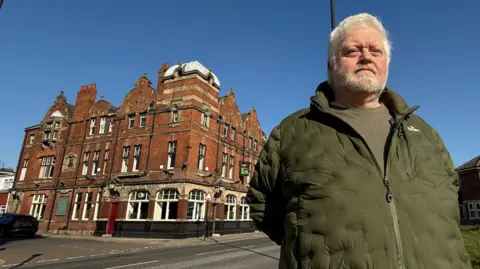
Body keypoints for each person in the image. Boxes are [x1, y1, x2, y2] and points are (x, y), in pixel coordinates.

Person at [246, 13, 472, 269]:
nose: (366, 57)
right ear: (331, 65)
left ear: (386, 63)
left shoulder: (425, 133)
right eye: (352, 50)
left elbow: (451, 197)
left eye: (376, 50)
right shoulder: (291, 132)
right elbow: (262, 204)